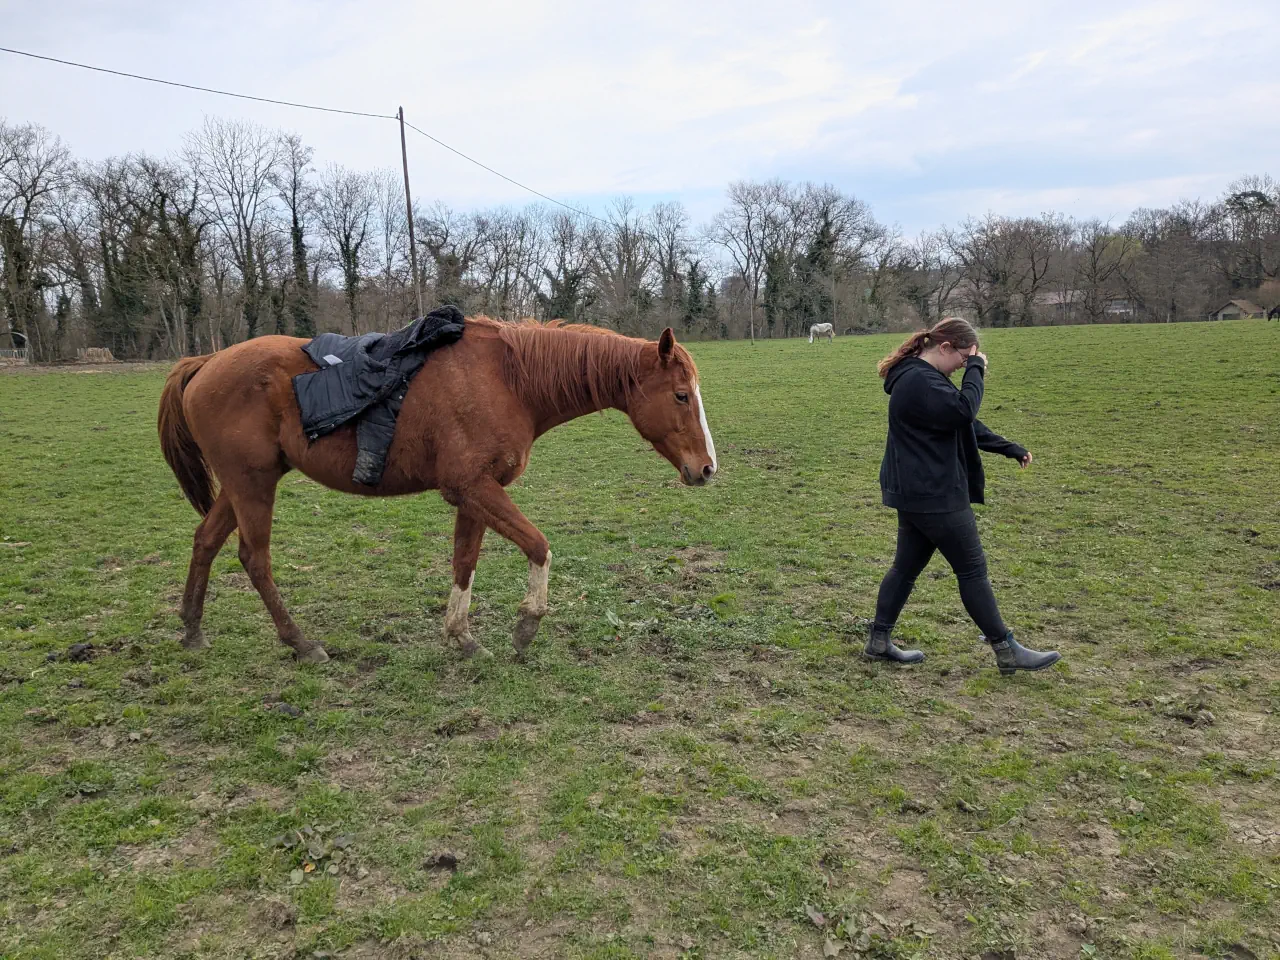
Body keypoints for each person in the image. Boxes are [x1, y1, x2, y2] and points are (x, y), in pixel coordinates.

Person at [866, 317, 1061, 675]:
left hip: (916, 490)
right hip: (935, 492)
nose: (962, 368)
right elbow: (963, 410)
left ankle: (879, 641)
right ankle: (1006, 650)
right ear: (944, 348)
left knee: (906, 568)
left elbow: (961, 422)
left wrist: (1008, 448)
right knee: (972, 571)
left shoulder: (920, 378)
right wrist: (977, 369)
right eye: (961, 359)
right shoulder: (919, 380)